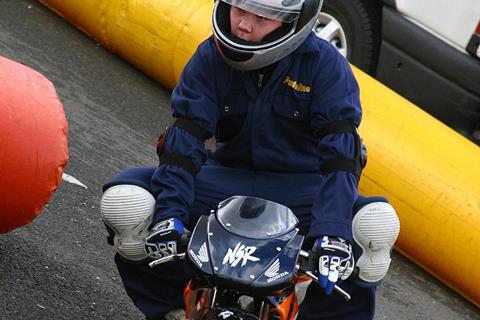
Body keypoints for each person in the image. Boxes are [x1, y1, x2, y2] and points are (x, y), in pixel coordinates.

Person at [100, 0, 400, 319]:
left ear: (296, 23)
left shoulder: (325, 66)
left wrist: (333, 234)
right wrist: (168, 213)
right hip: (226, 182)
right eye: (239, 8)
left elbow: (341, 159)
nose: (244, 24)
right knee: (126, 203)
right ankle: (174, 307)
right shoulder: (209, 57)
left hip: (302, 191)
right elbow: (184, 141)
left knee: (376, 226)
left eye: (264, 16)